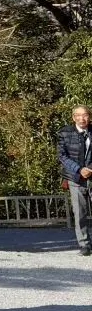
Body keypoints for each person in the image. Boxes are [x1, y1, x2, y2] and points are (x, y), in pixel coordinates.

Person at [57, 105, 92, 255]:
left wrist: (90, 168)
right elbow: (62, 156)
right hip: (75, 178)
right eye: (78, 115)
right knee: (79, 213)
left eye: (85, 115)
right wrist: (79, 169)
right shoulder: (64, 133)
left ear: (89, 117)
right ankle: (84, 245)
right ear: (73, 118)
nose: (82, 118)